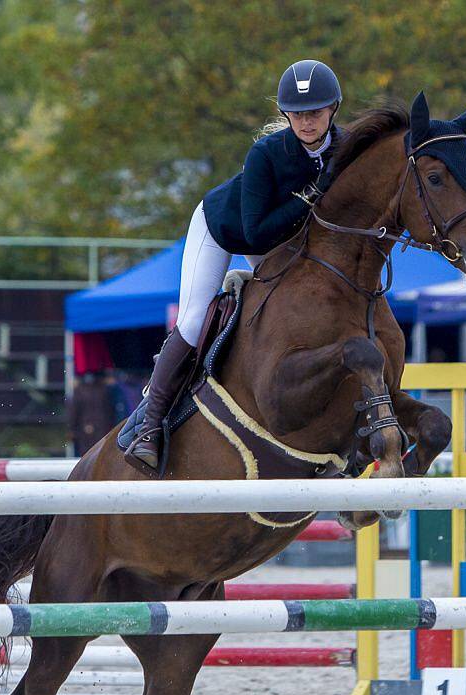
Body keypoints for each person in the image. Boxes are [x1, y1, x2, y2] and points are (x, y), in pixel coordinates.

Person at [125, 59, 344, 474]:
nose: (306, 122)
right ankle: (149, 426)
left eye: (314, 112)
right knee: (192, 320)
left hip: (279, 241)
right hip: (224, 229)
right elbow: (256, 234)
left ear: (333, 109)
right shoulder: (266, 153)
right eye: (297, 114)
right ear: (286, 115)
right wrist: (309, 196)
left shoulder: (344, 149)